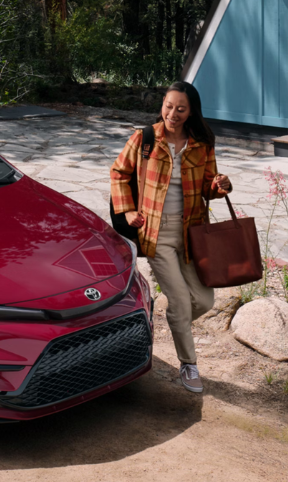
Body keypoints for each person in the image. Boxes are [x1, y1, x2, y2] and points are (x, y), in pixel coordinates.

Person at [109, 81, 232, 394]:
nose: (172, 113)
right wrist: (126, 211)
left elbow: (208, 187)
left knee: (204, 300)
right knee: (179, 300)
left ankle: (169, 320)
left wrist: (219, 187)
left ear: (191, 112)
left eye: (181, 108)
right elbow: (119, 173)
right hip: (157, 233)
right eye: (168, 106)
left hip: (192, 233)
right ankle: (188, 364)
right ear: (162, 104)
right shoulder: (145, 138)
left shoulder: (202, 143)